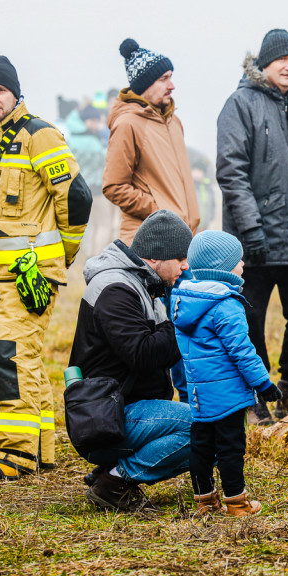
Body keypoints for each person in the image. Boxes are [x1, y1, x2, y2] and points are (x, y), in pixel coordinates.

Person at [0, 56, 92, 480]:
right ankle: (40, 448)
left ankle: (14, 453)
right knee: (21, 358)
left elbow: (78, 196)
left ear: (15, 93)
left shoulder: (39, 134)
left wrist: (62, 255)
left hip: (29, 276)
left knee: (10, 356)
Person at [216, 28, 288, 424]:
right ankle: (255, 394)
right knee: (250, 319)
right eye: (283, 59)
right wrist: (250, 232)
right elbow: (231, 172)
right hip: (256, 241)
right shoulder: (240, 104)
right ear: (263, 64)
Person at [69, 210, 194, 512]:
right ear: (154, 258)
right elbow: (142, 354)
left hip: (118, 410)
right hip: (105, 417)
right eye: (180, 257)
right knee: (204, 427)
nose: (185, 265)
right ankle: (115, 481)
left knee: (211, 428)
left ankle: (109, 469)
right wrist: (183, 321)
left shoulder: (145, 286)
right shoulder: (116, 288)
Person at [171, 230, 280, 516]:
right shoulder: (226, 305)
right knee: (231, 449)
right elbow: (242, 351)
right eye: (238, 260)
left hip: (198, 394)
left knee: (201, 448)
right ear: (222, 266)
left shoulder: (184, 300)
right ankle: (237, 503)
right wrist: (264, 384)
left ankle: (204, 501)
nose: (243, 264)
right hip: (228, 395)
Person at [102, 38, 199, 245]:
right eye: (164, 79)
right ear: (145, 83)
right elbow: (114, 186)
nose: (172, 86)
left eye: (171, 77)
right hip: (149, 243)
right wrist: (161, 212)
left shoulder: (175, 123)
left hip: (181, 240)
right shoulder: (127, 123)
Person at [66, 104, 115, 257]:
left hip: (81, 189)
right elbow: (106, 158)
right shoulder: (90, 141)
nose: (96, 125)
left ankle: (90, 258)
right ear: (85, 121)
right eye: (93, 121)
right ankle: (99, 258)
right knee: (105, 225)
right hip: (96, 188)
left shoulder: (73, 138)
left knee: (94, 225)